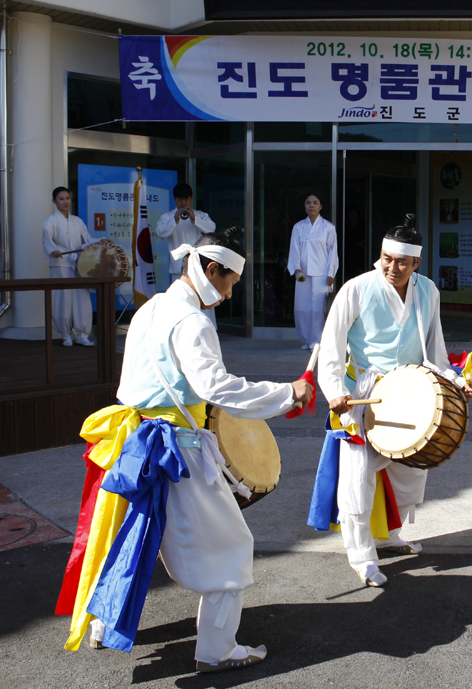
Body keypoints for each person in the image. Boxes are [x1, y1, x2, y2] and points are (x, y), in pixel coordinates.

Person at [57, 227, 314, 673]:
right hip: (175, 451)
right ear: (211, 270)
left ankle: (102, 622)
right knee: (231, 546)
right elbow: (217, 388)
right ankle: (218, 650)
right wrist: (287, 393)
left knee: (124, 538)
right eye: (231, 282)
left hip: (132, 446)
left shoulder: (151, 308)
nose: (230, 294)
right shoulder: (192, 321)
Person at [312, 213, 471, 587]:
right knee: (358, 477)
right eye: (386, 258)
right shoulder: (356, 289)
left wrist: (453, 380)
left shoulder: (427, 291)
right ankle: (361, 555)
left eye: (402, 262)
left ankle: (388, 535)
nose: (392, 268)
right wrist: (335, 392)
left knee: (409, 472)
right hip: (363, 395)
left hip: (411, 391)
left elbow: (436, 351)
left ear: (417, 263)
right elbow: (331, 347)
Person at [154, 182, 216, 323]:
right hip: (178, 269)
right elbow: (160, 233)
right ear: (174, 199)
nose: (183, 202)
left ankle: (208, 328)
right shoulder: (167, 217)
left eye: (186, 199)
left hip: (200, 267)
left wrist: (194, 218)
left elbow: (211, 229)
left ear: (191, 198)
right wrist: (175, 219)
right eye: (180, 199)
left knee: (204, 300)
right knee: (180, 302)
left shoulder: (201, 215)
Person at [42, 186, 93, 347]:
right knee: (62, 298)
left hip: (79, 264)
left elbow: (87, 240)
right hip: (60, 264)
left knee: (81, 298)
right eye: (61, 199)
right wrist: (53, 251)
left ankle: (83, 334)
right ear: (54, 201)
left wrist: (100, 241)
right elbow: (47, 240)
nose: (65, 202)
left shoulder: (78, 221)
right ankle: (65, 335)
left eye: (68, 198)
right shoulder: (50, 221)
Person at [286, 193, 338, 350]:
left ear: (320, 206)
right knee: (301, 308)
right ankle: (306, 339)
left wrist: (331, 273)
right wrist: (296, 269)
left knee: (318, 309)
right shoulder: (299, 227)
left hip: (322, 273)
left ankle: (317, 341)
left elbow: (332, 252)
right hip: (303, 274)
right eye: (308, 202)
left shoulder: (328, 227)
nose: (311, 205)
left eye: (315, 202)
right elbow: (294, 249)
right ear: (304, 206)